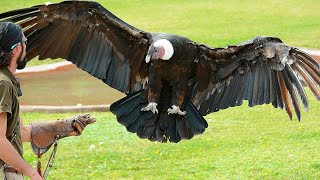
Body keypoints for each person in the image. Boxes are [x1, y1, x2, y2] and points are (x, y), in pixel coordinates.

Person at [0, 22, 95, 180]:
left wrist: (61, 127)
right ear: (17, 48)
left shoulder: (7, 81)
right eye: (24, 42)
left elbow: (18, 132)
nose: (26, 46)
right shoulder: (3, 84)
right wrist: (31, 172)